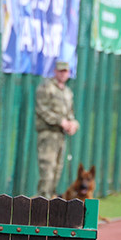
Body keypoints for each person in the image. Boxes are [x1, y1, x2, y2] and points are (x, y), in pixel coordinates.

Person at [34, 61, 79, 198]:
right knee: (47, 168)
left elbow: (70, 113)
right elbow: (42, 109)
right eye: (60, 71)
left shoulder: (67, 91)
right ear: (55, 71)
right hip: (48, 133)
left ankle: (51, 198)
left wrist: (73, 123)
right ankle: (43, 199)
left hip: (61, 135)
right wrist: (60, 121)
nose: (63, 74)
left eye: (65, 71)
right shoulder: (46, 87)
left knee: (57, 169)